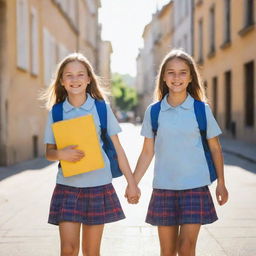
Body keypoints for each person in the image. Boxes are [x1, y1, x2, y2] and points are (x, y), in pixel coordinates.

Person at [130, 49, 228, 256]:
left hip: (195, 188)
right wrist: (133, 183)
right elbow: (147, 152)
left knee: (186, 248)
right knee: (167, 251)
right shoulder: (153, 111)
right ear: (164, 77)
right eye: (171, 72)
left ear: (191, 77)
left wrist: (221, 182)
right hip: (164, 189)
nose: (177, 78)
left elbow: (215, 148)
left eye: (183, 72)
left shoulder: (201, 109)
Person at [42, 53, 140, 256]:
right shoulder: (57, 111)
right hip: (67, 187)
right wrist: (61, 153)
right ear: (61, 81)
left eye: (80, 75)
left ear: (88, 79)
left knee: (91, 252)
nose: (75, 79)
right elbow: (49, 153)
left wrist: (132, 183)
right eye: (69, 75)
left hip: (98, 186)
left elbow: (118, 150)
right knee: (68, 250)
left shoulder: (101, 109)